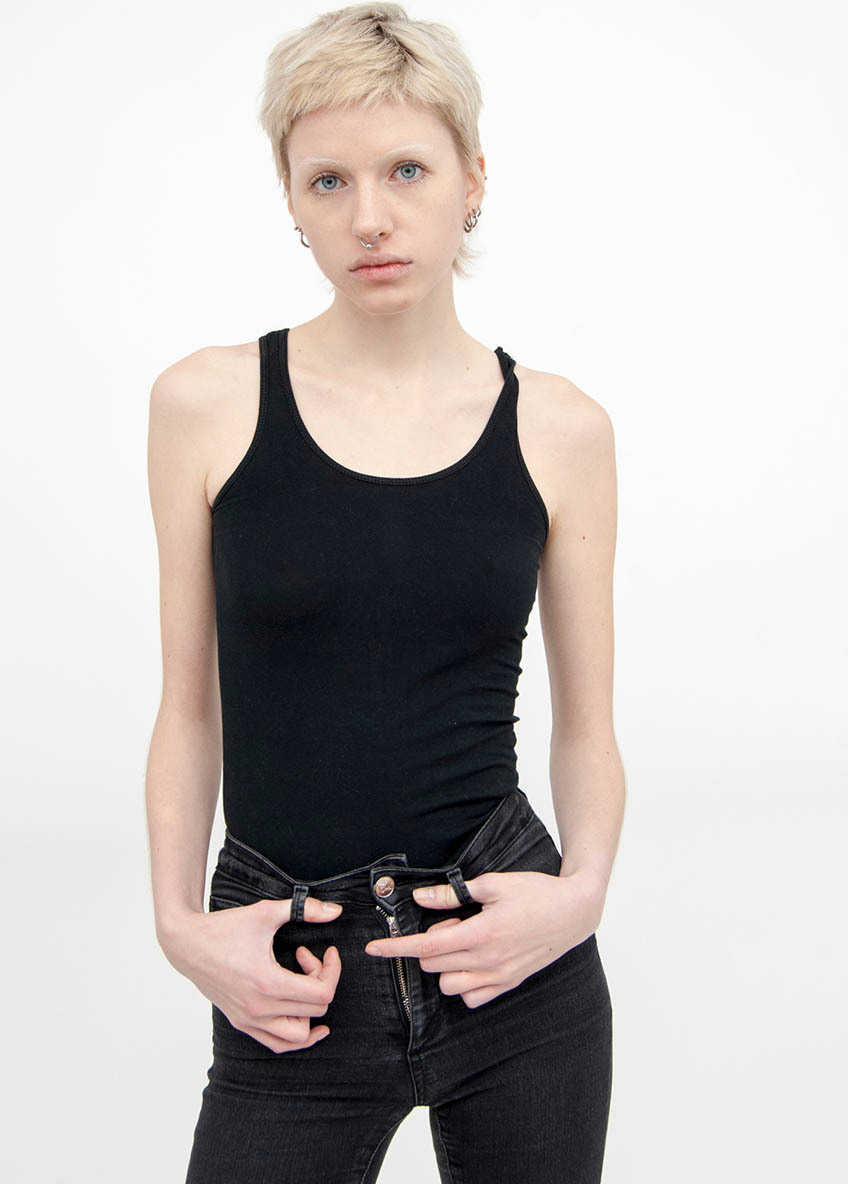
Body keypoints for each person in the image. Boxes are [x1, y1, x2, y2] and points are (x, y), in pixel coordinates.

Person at [145, 5, 625, 1181]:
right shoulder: (205, 405)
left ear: (472, 180)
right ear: (290, 197)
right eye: (329, 180)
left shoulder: (559, 426)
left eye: (406, 169)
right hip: (291, 971)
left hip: (509, 955)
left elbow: (587, 726)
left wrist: (578, 896)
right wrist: (179, 926)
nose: (369, 215)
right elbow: (188, 706)